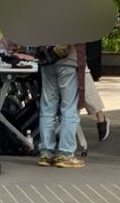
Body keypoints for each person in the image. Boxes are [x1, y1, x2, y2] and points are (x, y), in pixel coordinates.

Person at [36, 39, 84, 167]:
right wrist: (57, 51)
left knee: (47, 108)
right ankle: (66, 153)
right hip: (67, 61)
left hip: (46, 62)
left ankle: (46, 152)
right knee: (69, 108)